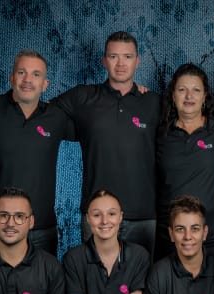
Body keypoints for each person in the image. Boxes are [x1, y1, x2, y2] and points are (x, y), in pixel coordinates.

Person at [55, 31, 160, 256]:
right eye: (113, 57)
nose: (120, 64)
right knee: (95, 276)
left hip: (142, 216)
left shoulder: (153, 103)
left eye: (127, 57)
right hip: (97, 214)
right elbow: (40, 113)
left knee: (142, 277)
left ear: (137, 61)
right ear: (104, 61)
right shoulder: (83, 97)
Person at [0, 49, 73, 255]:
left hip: (42, 227)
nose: (27, 80)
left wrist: (133, 93)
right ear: (11, 78)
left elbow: (96, 124)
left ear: (45, 84)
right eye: (21, 72)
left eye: (36, 74)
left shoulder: (57, 117)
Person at [155, 63, 214, 261]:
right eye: (182, 90)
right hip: (170, 235)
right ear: (173, 96)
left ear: (204, 97)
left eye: (196, 90)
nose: (189, 96)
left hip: (211, 235)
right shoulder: (160, 134)